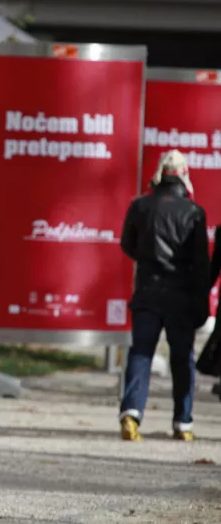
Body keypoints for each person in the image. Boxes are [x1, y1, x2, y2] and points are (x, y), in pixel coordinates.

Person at [118, 149, 209, 442]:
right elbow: (200, 263)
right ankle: (183, 423)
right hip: (180, 297)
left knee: (141, 352)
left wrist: (148, 261)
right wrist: (201, 302)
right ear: (184, 176)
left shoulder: (140, 206)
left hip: (147, 291)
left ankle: (131, 414)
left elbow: (127, 244)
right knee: (182, 359)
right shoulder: (194, 213)